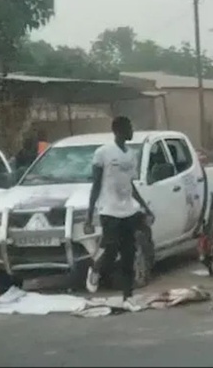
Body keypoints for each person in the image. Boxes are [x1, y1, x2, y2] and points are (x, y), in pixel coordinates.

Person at [84, 116, 153, 309]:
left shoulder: (131, 155)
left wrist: (145, 208)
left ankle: (128, 296)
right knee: (111, 249)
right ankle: (96, 269)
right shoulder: (103, 153)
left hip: (127, 210)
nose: (132, 131)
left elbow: (131, 184)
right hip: (109, 209)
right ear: (118, 130)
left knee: (129, 253)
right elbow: (96, 185)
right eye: (129, 127)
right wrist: (90, 215)